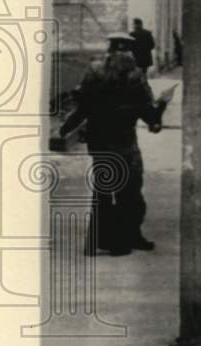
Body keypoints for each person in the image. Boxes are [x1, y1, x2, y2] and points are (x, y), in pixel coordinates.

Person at [57, 33, 174, 256]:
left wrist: (67, 126)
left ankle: (95, 242)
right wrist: (160, 109)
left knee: (103, 189)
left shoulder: (94, 71)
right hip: (124, 141)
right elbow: (147, 111)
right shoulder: (135, 76)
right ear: (131, 52)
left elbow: (82, 104)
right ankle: (124, 239)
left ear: (109, 49)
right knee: (129, 189)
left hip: (99, 139)